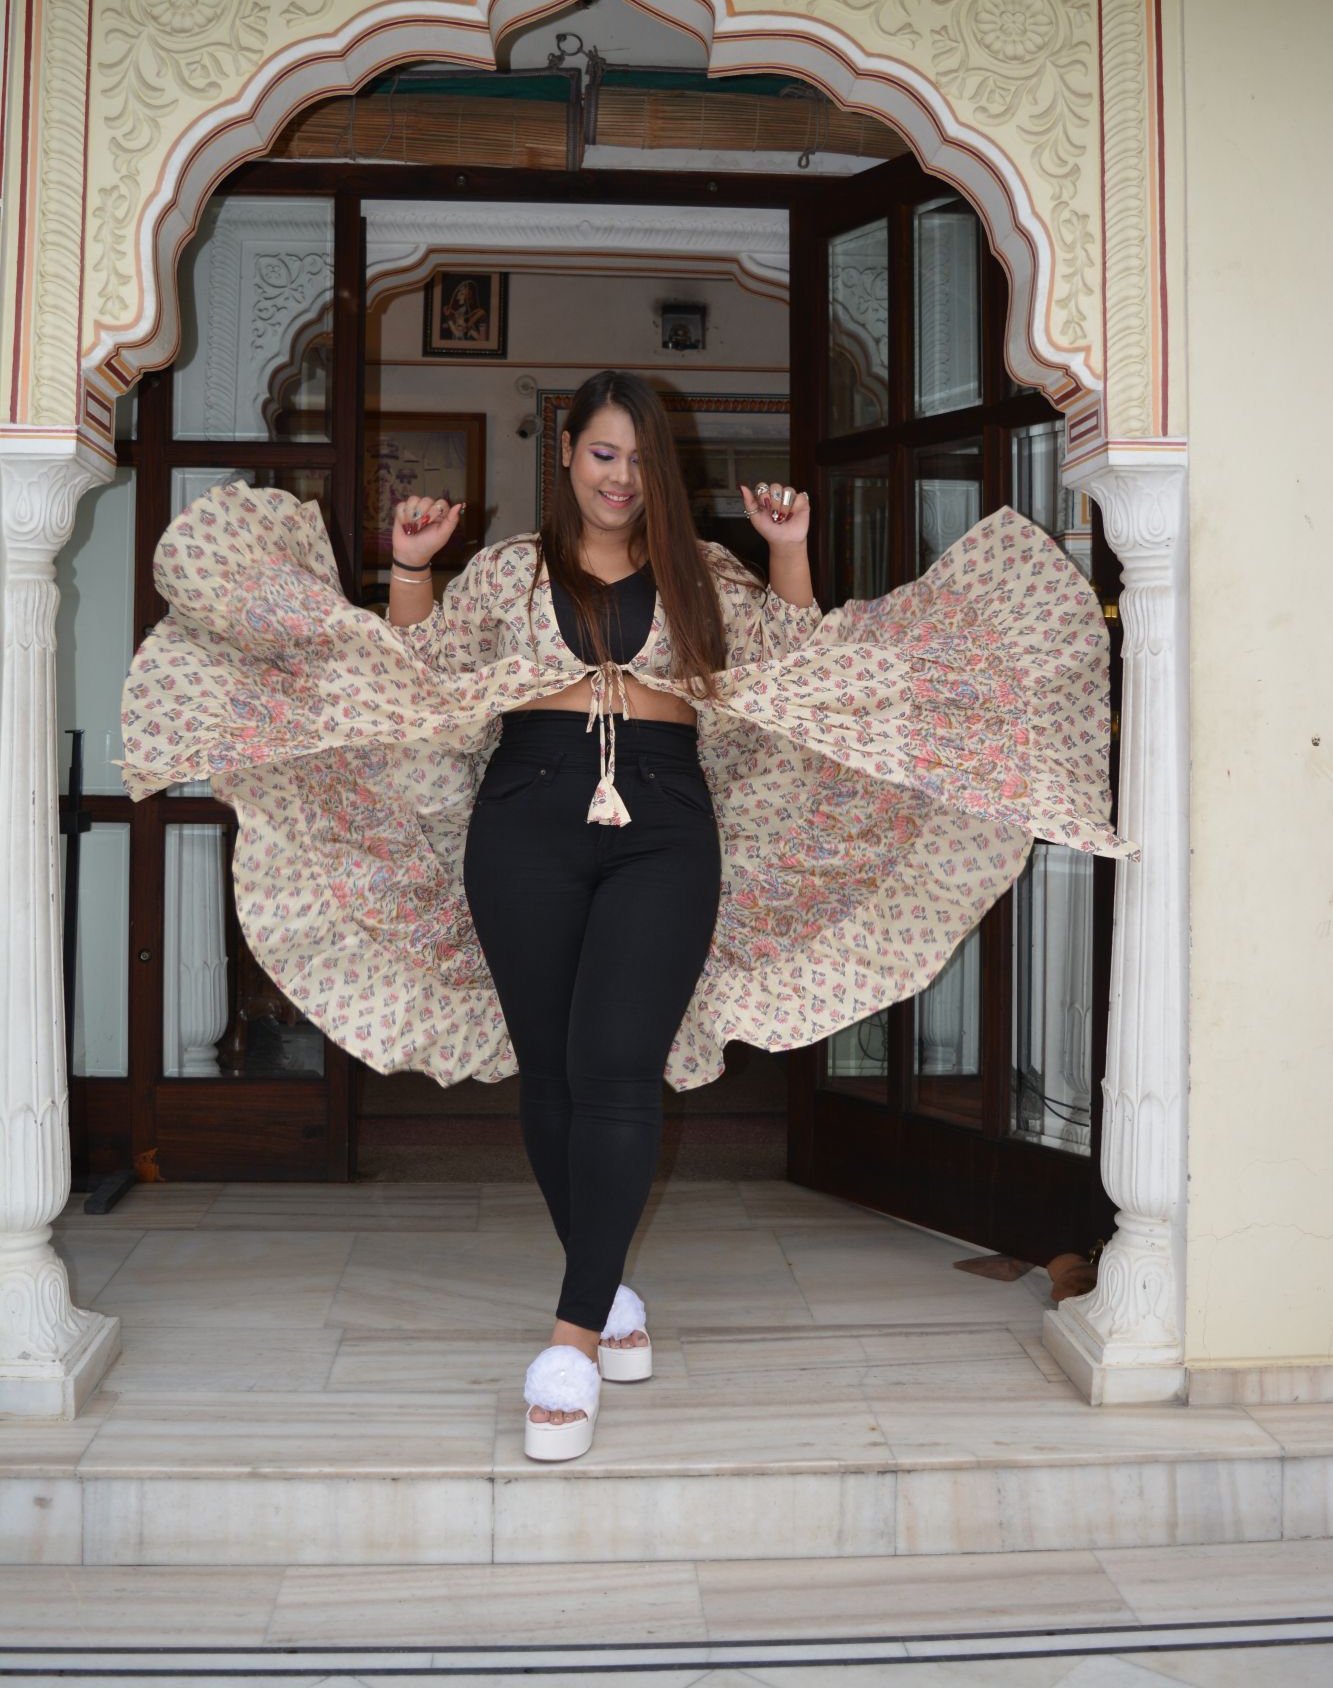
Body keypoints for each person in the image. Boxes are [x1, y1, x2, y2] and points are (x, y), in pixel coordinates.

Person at [120, 367, 1131, 1466]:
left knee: (613, 1065)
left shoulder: (702, 577)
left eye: (644, 460)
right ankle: (607, 1290)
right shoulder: (510, 571)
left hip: (664, 828)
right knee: (550, 1074)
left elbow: (807, 672)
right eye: (605, 453)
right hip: (521, 822)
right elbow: (411, 678)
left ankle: (569, 1339)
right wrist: (410, 567)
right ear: (567, 455)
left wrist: (789, 548)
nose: (622, 477)